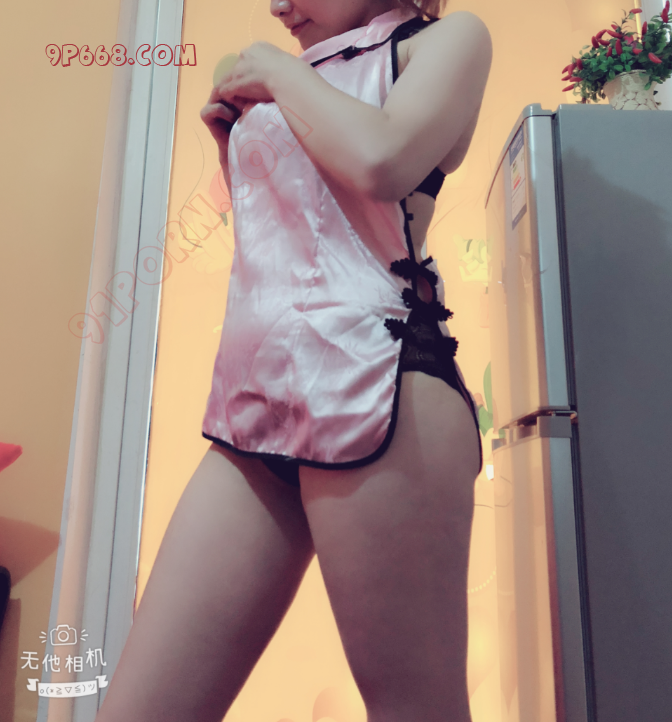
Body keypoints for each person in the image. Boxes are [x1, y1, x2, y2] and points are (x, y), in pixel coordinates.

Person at [94, 1, 492, 721]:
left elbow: (383, 161)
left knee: (416, 710)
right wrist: (238, 146)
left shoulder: (443, 41)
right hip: (256, 401)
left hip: (383, 385)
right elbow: (299, 238)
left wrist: (277, 76)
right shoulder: (297, 72)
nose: (278, 5)